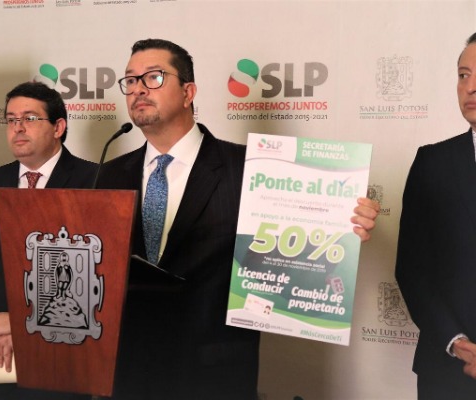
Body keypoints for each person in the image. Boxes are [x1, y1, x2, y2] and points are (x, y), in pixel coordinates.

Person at [97, 38, 379, 400]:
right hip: (131, 368)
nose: (138, 89)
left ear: (188, 92)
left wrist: (345, 224)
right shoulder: (108, 175)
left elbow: (304, 245)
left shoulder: (249, 169)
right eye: (130, 80)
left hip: (213, 371)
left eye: (153, 77)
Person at [0, 81, 96, 400]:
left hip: (62, 355)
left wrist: (20, 324)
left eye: (29, 118)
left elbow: (93, 274)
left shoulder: (95, 181)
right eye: (11, 120)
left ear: (58, 127)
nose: (17, 127)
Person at [396, 32, 476, 399]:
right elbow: (412, 268)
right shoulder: (432, 162)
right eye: (463, 75)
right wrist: (456, 342)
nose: (470, 87)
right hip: (447, 371)